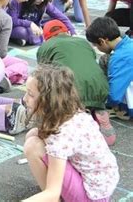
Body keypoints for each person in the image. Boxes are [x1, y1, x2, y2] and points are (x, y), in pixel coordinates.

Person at [23, 64, 119, 201]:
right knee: (34, 134)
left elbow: (53, 193)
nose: (25, 98)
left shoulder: (61, 134)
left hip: (90, 197)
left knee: (33, 145)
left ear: (49, 101)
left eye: (31, 94)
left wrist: (51, 194)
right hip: (100, 185)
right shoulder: (72, 114)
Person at [37, 20, 115, 145]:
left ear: (46, 38)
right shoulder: (82, 42)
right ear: (67, 32)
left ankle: (78, 116)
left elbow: (45, 75)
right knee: (89, 94)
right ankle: (99, 110)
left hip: (73, 92)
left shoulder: (45, 47)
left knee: (55, 90)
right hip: (100, 88)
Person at [7, 0, 75, 46]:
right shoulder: (19, 0)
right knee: (22, 31)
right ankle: (28, 39)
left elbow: (61, 16)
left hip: (35, 29)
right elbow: (13, 21)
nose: (42, 0)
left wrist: (72, 32)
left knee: (56, 24)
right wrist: (29, 24)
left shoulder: (44, 3)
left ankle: (25, 39)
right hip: (18, 28)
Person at [86, 17, 133, 118]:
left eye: (95, 45)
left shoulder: (120, 57)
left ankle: (121, 109)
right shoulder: (129, 43)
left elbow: (114, 97)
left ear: (102, 41)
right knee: (105, 59)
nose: (96, 48)